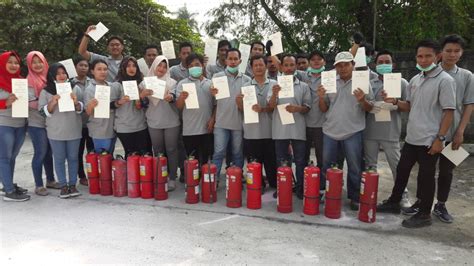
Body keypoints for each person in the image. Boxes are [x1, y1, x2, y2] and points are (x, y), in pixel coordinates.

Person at [377, 39, 456, 228]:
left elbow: (449, 112)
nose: (423, 59)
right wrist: (395, 101)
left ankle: (424, 215)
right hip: (412, 137)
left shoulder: (445, 80)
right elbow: (409, 106)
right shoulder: (416, 79)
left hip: (430, 139)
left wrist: (440, 138)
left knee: (426, 177)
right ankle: (394, 202)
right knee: (402, 171)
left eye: (428, 55)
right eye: (420, 56)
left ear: (437, 56)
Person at [424, 35, 472, 223]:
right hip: (429, 133)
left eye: (456, 51)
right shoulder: (429, 73)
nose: (452, 54)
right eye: (448, 50)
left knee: (446, 171)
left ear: (461, 53)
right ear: (440, 52)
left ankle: (441, 204)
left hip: (453, 134)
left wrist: (460, 132)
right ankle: (422, 202)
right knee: (426, 172)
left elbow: (469, 105)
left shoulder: (467, 76)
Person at [318, 51, 374, 210]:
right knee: (327, 165)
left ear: (353, 65)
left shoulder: (362, 82)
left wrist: (362, 100)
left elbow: (370, 108)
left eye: (346, 65)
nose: (343, 68)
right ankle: (328, 191)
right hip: (330, 130)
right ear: (335, 67)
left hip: (353, 131)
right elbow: (323, 109)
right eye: (339, 66)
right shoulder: (329, 82)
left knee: (354, 166)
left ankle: (355, 196)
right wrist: (321, 97)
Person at [363, 49, 410, 208]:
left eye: (387, 62)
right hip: (370, 131)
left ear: (393, 64)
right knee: (370, 166)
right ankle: (370, 195)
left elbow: (408, 107)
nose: (383, 65)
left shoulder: (402, 83)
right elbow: (364, 106)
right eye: (380, 62)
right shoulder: (369, 83)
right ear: (375, 65)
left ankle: (402, 196)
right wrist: (371, 104)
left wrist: (395, 102)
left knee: (397, 167)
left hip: (391, 132)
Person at [267, 54, 311, 199]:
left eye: (292, 65)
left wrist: (297, 108)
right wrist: (274, 94)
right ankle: (283, 187)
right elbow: (271, 106)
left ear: (296, 67)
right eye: (286, 65)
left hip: (298, 129)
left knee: (300, 161)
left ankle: (300, 189)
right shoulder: (274, 85)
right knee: (281, 161)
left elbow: (307, 107)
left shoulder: (304, 86)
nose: (289, 68)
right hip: (280, 130)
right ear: (282, 67)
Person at [38, 63, 84, 198]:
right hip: (55, 131)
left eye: (64, 73)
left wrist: (76, 103)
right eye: (58, 73)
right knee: (58, 159)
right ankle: (63, 186)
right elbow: (42, 112)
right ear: (52, 76)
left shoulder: (75, 88)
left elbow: (82, 108)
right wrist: (52, 102)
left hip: (73, 129)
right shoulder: (46, 91)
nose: (62, 76)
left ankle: (72, 185)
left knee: (73, 158)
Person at [236, 55, 277, 189]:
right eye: (255, 65)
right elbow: (243, 110)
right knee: (254, 166)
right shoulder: (245, 87)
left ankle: (273, 186)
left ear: (266, 66)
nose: (258, 68)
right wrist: (239, 103)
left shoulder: (274, 85)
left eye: (261, 65)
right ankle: (257, 187)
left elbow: (274, 107)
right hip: (251, 133)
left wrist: (263, 109)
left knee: (271, 165)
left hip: (270, 132)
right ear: (251, 68)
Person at [210, 48, 251, 180]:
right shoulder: (217, 78)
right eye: (230, 59)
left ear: (240, 60)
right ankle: (214, 180)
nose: (233, 62)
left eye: (235, 59)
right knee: (218, 152)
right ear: (226, 60)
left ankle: (237, 178)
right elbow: (212, 101)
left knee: (237, 153)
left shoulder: (247, 80)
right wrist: (212, 92)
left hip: (238, 123)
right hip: (221, 123)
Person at [143, 55, 180, 191]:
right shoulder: (145, 83)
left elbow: (175, 98)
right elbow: (141, 104)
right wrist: (143, 95)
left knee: (171, 149)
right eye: (159, 65)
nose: (162, 68)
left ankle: (172, 178)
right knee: (158, 151)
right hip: (154, 121)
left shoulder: (172, 83)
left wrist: (170, 97)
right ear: (154, 65)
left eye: (165, 66)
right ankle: (160, 176)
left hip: (171, 121)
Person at [25, 51, 59, 195]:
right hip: (36, 122)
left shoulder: (50, 77)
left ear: (45, 62)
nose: (37, 64)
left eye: (40, 61)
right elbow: (30, 104)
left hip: (50, 121)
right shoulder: (28, 81)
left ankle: (50, 180)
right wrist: (45, 100)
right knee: (40, 152)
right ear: (29, 64)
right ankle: (39, 185)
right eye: (34, 62)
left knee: (49, 152)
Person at [0, 51, 29, 201]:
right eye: (9, 62)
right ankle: (9, 192)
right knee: (4, 157)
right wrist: (5, 103)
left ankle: (7, 184)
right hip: (4, 123)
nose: (13, 65)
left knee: (12, 157)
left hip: (20, 123)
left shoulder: (21, 81)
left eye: (16, 62)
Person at [175, 53, 215, 164]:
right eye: (191, 65)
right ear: (187, 68)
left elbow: (216, 104)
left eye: (197, 64)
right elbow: (178, 106)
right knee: (193, 160)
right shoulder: (182, 84)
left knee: (206, 160)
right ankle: (194, 181)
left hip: (207, 129)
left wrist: (212, 119)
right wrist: (182, 98)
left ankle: (206, 180)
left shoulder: (210, 84)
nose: (194, 67)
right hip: (190, 130)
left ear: (202, 65)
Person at [114, 56, 152, 156]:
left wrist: (142, 97)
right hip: (124, 127)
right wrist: (119, 102)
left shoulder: (141, 84)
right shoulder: (117, 85)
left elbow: (145, 105)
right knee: (131, 157)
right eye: (128, 66)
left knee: (145, 156)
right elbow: (109, 105)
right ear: (123, 67)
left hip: (141, 125)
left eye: (134, 66)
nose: (131, 68)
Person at [84, 59, 120, 154]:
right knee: (102, 159)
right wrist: (91, 106)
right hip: (99, 131)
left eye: (105, 69)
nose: (102, 72)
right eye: (99, 69)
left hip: (112, 129)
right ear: (92, 71)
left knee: (109, 158)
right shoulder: (90, 89)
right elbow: (87, 112)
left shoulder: (112, 87)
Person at [301, 50, 326, 173]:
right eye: (313, 59)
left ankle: (321, 183)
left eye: (319, 59)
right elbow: (284, 67)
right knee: (303, 156)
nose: (316, 61)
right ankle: (306, 182)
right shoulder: (303, 75)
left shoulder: (330, 76)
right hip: (304, 124)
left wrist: (356, 44)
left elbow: (347, 62)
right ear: (309, 63)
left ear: (324, 61)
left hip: (322, 124)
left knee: (321, 156)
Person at [70, 57, 93, 185]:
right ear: (75, 67)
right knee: (78, 152)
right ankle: (81, 175)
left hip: (91, 123)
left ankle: (93, 174)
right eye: (81, 65)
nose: (83, 67)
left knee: (91, 151)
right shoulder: (70, 83)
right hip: (76, 123)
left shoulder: (92, 82)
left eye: (86, 65)